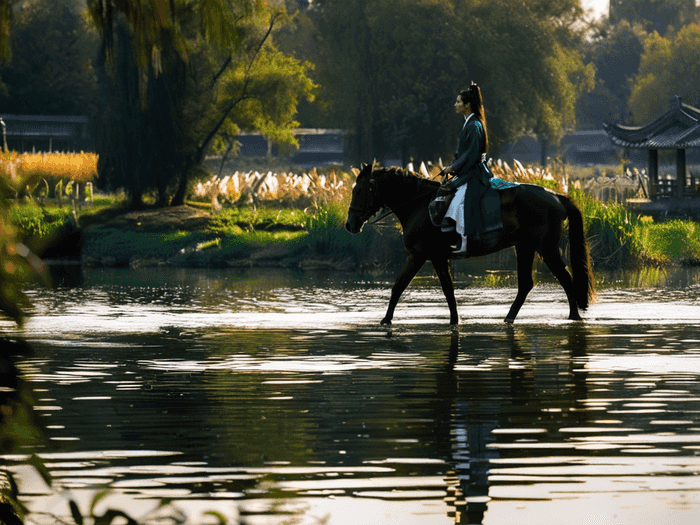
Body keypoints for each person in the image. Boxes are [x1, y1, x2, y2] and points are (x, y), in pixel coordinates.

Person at [441, 83, 491, 254]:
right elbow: (463, 153)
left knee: (460, 201)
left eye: (458, 102)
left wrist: (453, 167)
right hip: (468, 169)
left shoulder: (474, 125)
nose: (455, 105)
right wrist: (451, 166)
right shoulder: (469, 123)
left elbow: (470, 154)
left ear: (467, 104)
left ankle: (466, 243)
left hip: (474, 172)